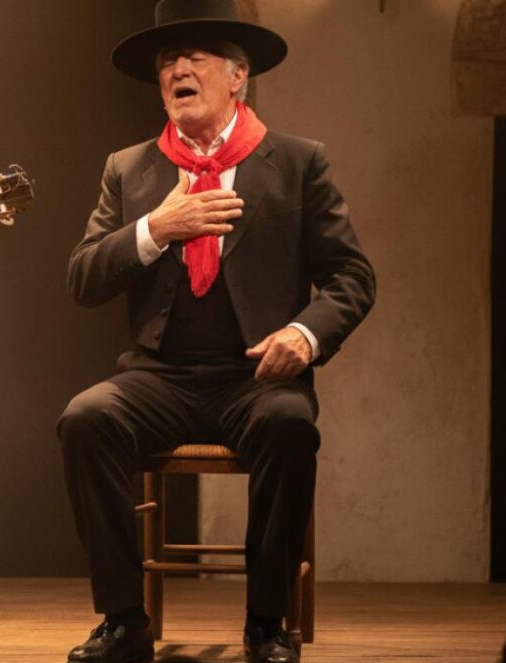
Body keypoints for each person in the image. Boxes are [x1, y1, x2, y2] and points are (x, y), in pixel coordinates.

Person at [57, 2, 375, 662]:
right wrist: (157, 229)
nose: (177, 69)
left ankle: (266, 623)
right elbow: (84, 277)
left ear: (239, 75)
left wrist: (304, 335)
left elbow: (352, 277)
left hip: (254, 377)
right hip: (159, 377)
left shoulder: (295, 163)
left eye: (194, 56)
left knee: (291, 425)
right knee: (86, 419)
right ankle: (123, 620)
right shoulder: (131, 168)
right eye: (167, 61)